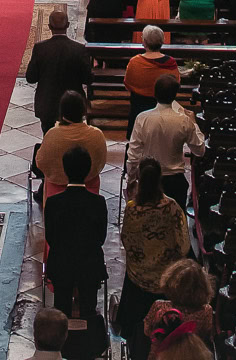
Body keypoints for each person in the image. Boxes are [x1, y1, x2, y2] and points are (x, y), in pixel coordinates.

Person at [118, 158, 192, 360]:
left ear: (140, 180)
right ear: (160, 180)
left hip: (138, 282)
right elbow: (184, 245)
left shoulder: (132, 209)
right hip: (167, 282)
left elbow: (127, 241)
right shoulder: (173, 207)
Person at [42, 146, 108, 343]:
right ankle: (88, 342)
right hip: (89, 264)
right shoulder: (98, 202)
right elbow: (101, 238)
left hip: (61, 264)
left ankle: (62, 341)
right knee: (89, 307)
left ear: (65, 169)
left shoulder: (53, 202)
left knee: (61, 306)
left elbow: (51, 238)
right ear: (88, 170)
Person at [126, 75, 206, 208]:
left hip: (149, 178)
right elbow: (200, 150)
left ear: (154, 93)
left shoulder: (142, 118)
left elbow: (133, 154)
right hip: (175, 180)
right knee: (175, 222)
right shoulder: (184, 120)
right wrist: (194, 124)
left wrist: (131, 179)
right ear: (174, 95)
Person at [25, 8, 93, 134]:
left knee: (48, 136)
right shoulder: (79, 49)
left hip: (47, 102)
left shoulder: (40, 48)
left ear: (49, 26)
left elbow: (31, 77)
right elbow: (88, 79)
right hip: (73, 103)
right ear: (67, 25)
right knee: (72, 137)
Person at [36, 90, 110, 191]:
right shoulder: (96, 134)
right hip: (88, 185)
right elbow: (101, 160)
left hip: (58, 188)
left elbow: (41, 162)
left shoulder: (53, 135)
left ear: (61, 111)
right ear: (83, 111)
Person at [122, 25, 178, 129]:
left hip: (139, 107)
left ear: (144, 42)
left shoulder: (135, 62)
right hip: (163, 107)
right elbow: (176, 83)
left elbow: (128, 84)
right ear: (162, 41)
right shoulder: (171, 62)